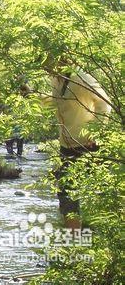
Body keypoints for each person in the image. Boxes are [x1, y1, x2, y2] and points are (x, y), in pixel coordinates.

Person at [49, 71, 111, 229]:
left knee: (99, 190)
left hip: (87, 144)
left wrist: (95, 132)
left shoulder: (81, 78)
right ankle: (74, 237)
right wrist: (30, 94)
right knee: (66, 192)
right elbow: (53, 103)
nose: (45, 68)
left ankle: (107, 235)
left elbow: (104, 103)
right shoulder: (57, 81)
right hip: (67, 144)